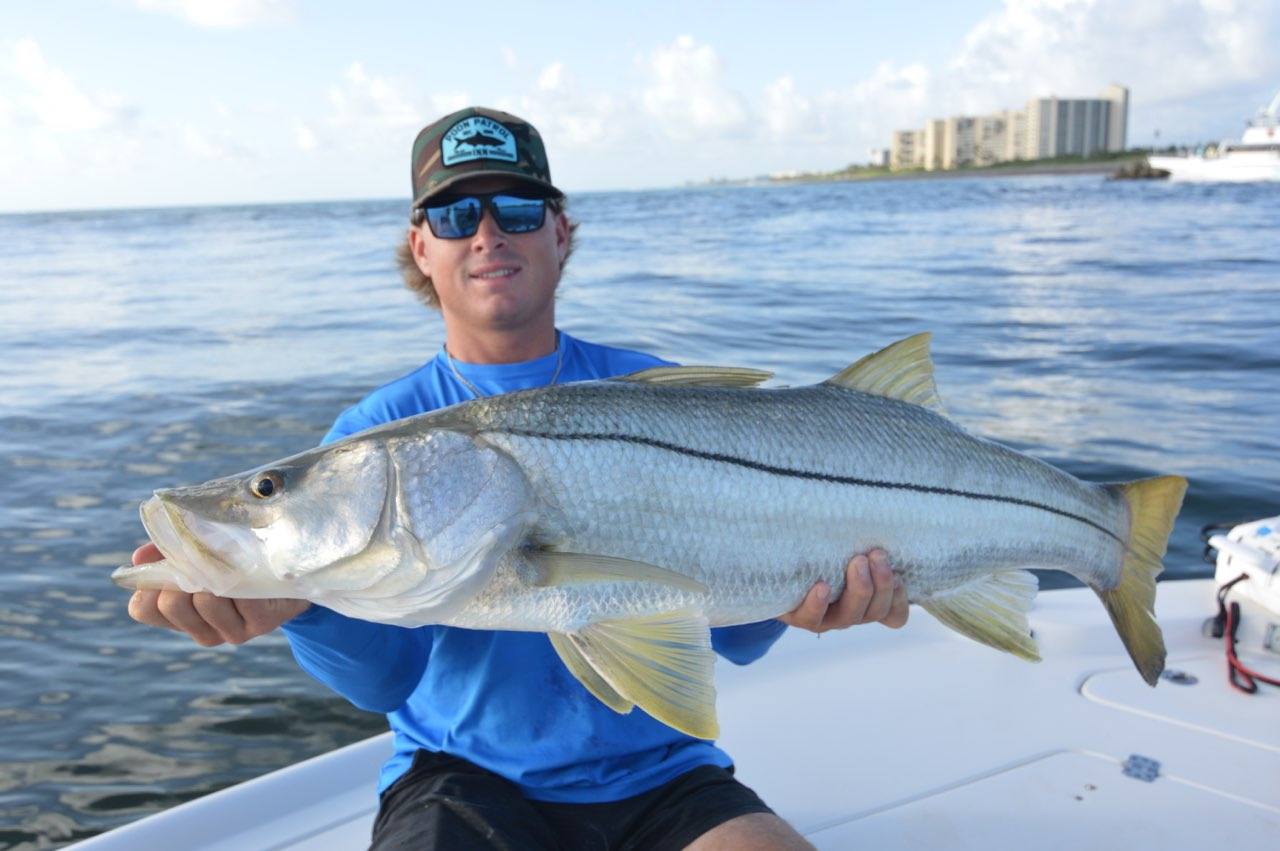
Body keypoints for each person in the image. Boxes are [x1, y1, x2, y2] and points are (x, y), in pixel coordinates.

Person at [127, 106, 909, 850]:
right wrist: (300, 604)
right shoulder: (373, 431)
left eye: (518, 209)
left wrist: (807, 598)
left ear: (561, 231)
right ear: (421, 246)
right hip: (461, 780)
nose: (488, 234)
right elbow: (385, 679)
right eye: (456, 216)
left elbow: (733, 631)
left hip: (665, 774)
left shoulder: (664, 395)